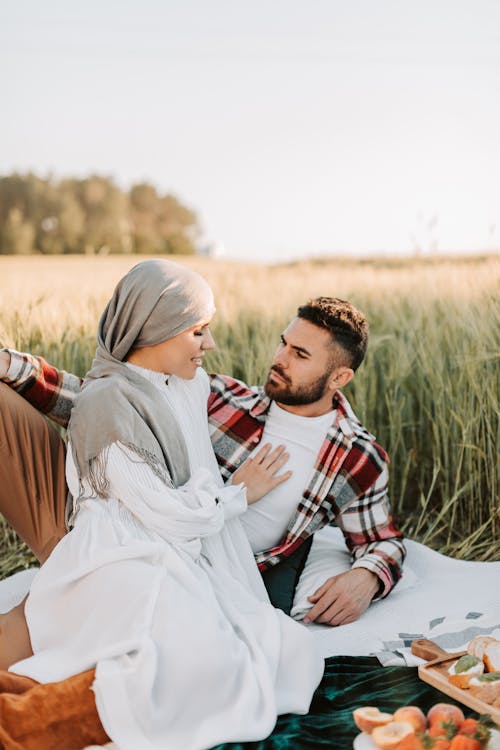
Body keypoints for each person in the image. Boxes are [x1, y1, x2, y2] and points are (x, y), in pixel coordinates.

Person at [0, 259, 323, 750]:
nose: (210, 344)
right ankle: (44, 714)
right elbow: (160, 508)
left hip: (170, 540)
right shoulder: (108, 401)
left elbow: (185, 474)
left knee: (277, 648)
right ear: (157, 330)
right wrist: (240, 493)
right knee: (190, 662)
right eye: (199, 330)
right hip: (121, 542)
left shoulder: (189, 385)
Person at [0, 296, 405, 627]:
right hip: (112, 525)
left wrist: (366, 577)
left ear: (339, 378)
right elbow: (101, 403)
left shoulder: (357, 458)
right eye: (283, 342)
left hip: (184, 576)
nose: (279, 358)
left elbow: (382, 541)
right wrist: (10, 365)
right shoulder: (220, 397)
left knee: (40, 627)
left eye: (299, 354)